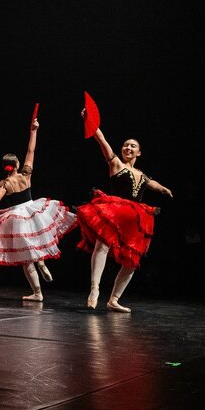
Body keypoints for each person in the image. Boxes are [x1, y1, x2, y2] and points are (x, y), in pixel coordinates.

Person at [78, 115, 173, 312]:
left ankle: (114, 299)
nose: (128, 148)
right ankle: (94, 288)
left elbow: (150, 182)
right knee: (102, 244)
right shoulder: (116, 165)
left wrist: (163, 189)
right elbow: (102, 142)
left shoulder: (141, 174)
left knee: (132, 259)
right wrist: (91, 124)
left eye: (132, 146)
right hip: (115, 211)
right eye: (125, 145)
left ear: (139, 152)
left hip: (135, 217)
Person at [0, 118, 77, 302]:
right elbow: (31, 150)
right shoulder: (26, 174)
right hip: (32, 210)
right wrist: (34, 130)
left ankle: (38, 293)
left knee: (26, 258)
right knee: (39, 240)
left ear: (4, 167)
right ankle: (42, 262)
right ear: (16, 165)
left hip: (16, 216)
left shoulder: (5, 183)